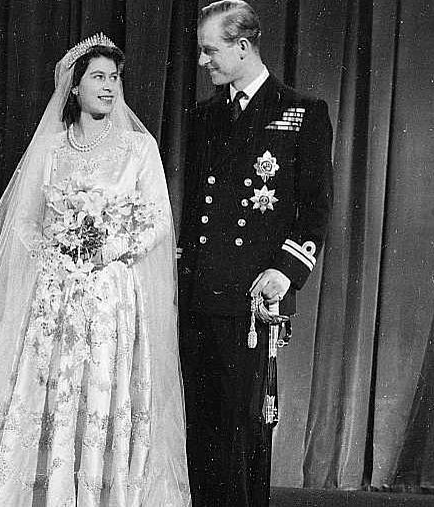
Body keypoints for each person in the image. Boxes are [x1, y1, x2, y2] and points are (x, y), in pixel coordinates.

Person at [0, 34, 191, 507]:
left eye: (115, 78)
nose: (109, 87)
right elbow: (23, 221)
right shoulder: (51, 150)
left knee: (103, 391)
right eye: (99, 77)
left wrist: (109, 249)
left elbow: (159, 220)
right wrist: (55, 253)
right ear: (75, 87)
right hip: (55, 295)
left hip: (111, 293)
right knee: (51, 392)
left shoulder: (138, 149)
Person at [177, 1, 333, 506]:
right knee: (199, 429)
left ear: (243, 47)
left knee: (242, 432)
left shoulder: (301, 112)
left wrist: (286, 271)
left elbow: (314, 209)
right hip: (200, 295)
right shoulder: (203, 117)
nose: (203, 62)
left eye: (210, 50)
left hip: (251, 300)